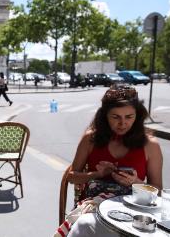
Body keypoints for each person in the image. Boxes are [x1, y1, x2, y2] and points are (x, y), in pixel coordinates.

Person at [66, 86, 163, 236]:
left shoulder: (150, 144)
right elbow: (71, 176)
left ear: (137, 116)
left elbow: (158, 190)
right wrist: (96, 174)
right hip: (94, 208)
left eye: (129, 117)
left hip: (133, 210)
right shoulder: (90, 139)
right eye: (115, 117)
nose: (122, 123)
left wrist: (136, 182)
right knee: (86, 223)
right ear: (105, 116)